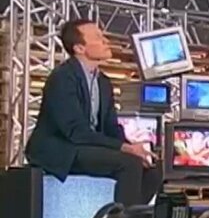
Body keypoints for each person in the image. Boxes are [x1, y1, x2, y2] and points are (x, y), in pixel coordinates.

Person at [25, 19, 162, 206]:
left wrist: (133, 148)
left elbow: (111, 127)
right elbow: (75, 131)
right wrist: (125, 149)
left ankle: (134, 216)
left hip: (85, 145)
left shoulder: (103, 82)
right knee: (129, 163)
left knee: (154, 168)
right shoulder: (62, 78)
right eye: (98, 37)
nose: (106, 41)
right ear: (79, 48)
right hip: (61, 148)